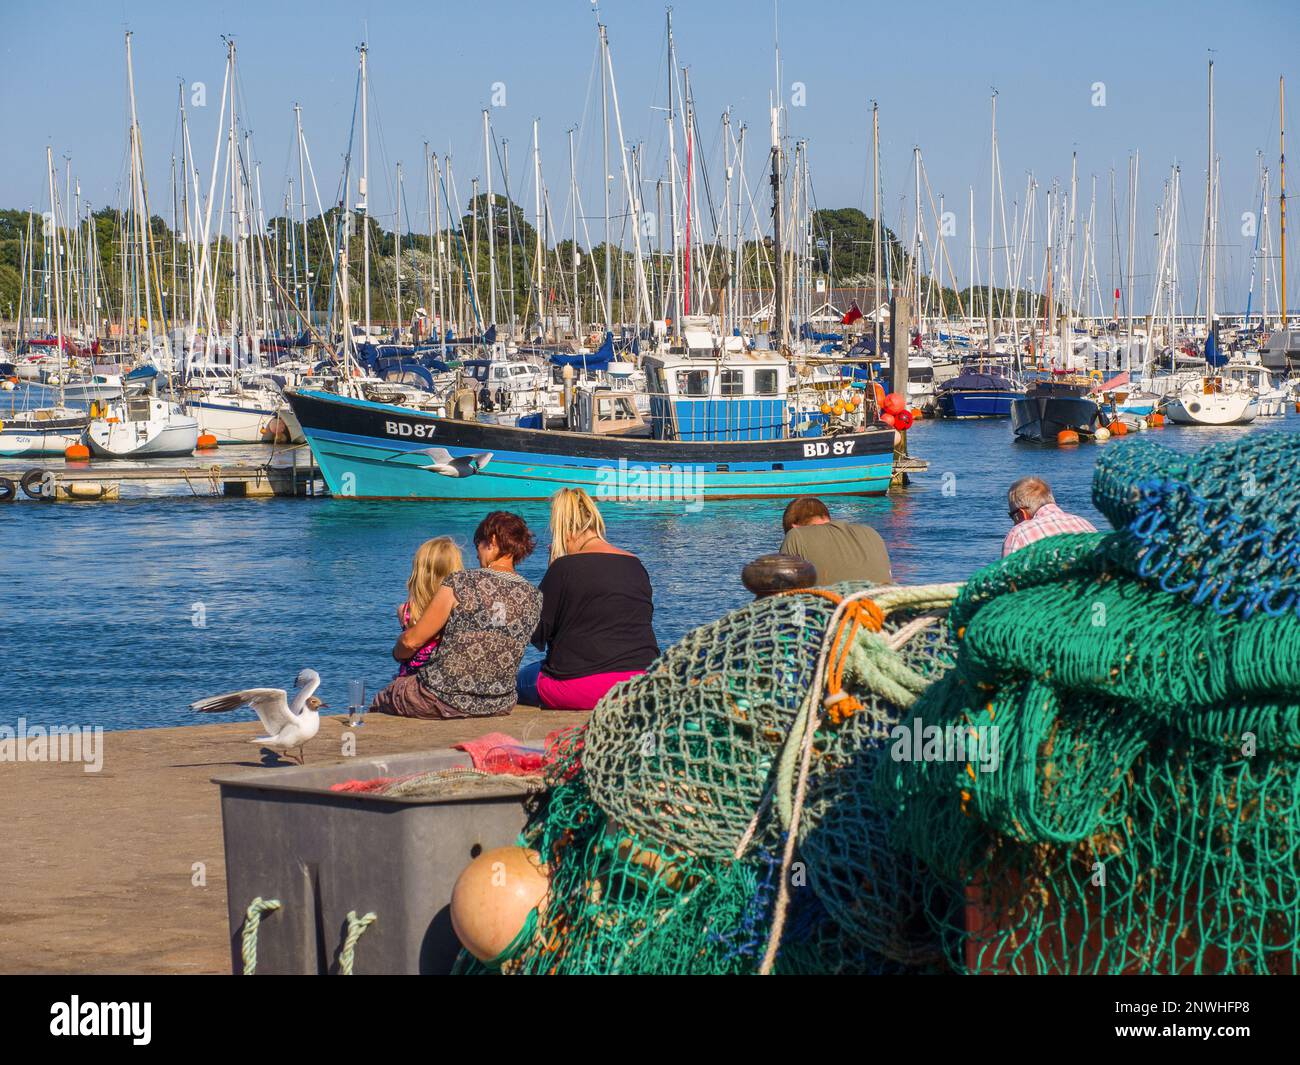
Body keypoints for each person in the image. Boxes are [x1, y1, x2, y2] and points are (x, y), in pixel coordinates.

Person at [370, 512, 542, 719]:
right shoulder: (534, 596)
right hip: (499, 703)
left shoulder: (460, 582)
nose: (477, 555)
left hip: (439, 697)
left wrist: (398, 653)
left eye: (478, 545)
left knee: (383, 698)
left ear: (492, 541)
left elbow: (411, 641)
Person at [517, 488, 659, 711]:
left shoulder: (563, 568)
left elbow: (538, 634)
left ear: (565, 530)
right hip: (641, 682)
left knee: (518, 680)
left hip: (580, 685)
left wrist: (551, 568)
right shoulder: (635, 564)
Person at [778, 496, 892, 585]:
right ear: (827, 518)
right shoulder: (870, 531)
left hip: (837, 611)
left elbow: (781, 589)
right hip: (882, 609)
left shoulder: (795, 535)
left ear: (794, 526)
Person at [394, 537, 464, 677]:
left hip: (411, 681)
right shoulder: (461, 609)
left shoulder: (406, 611)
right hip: (448, 680)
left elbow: (406, 649)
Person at [1002, 476, 1097, 557]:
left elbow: (1006, 576)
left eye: (1012, 516)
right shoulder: (1084, 523)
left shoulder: (1018, 534)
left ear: (1022, 513)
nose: (1013, 522)